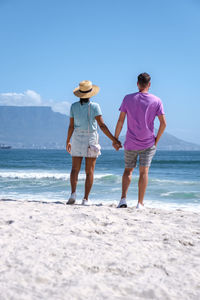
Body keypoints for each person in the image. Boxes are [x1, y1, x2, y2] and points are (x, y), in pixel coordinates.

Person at [113, 73, 166, 209]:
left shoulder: (128, 98)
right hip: (148, 143)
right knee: (144, 173)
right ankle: (140, 203)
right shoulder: (156, 100)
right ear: (149, 84)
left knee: (127, 171)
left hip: (130, 142)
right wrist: (156, 140)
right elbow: (163, 124)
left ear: (137, 84)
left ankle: (123, 200)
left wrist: (116, 139)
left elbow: (120, 120)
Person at [66, 80, 121, 205]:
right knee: (89, 170)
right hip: (91, 137)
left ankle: (73, 194)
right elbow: (102, 125)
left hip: (77, 137)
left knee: (75, 169)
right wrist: (114, 140)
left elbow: (71, 126)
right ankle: (85, 199)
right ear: (90, 93)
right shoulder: (95, 106)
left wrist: (68, 141)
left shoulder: (73, 106)